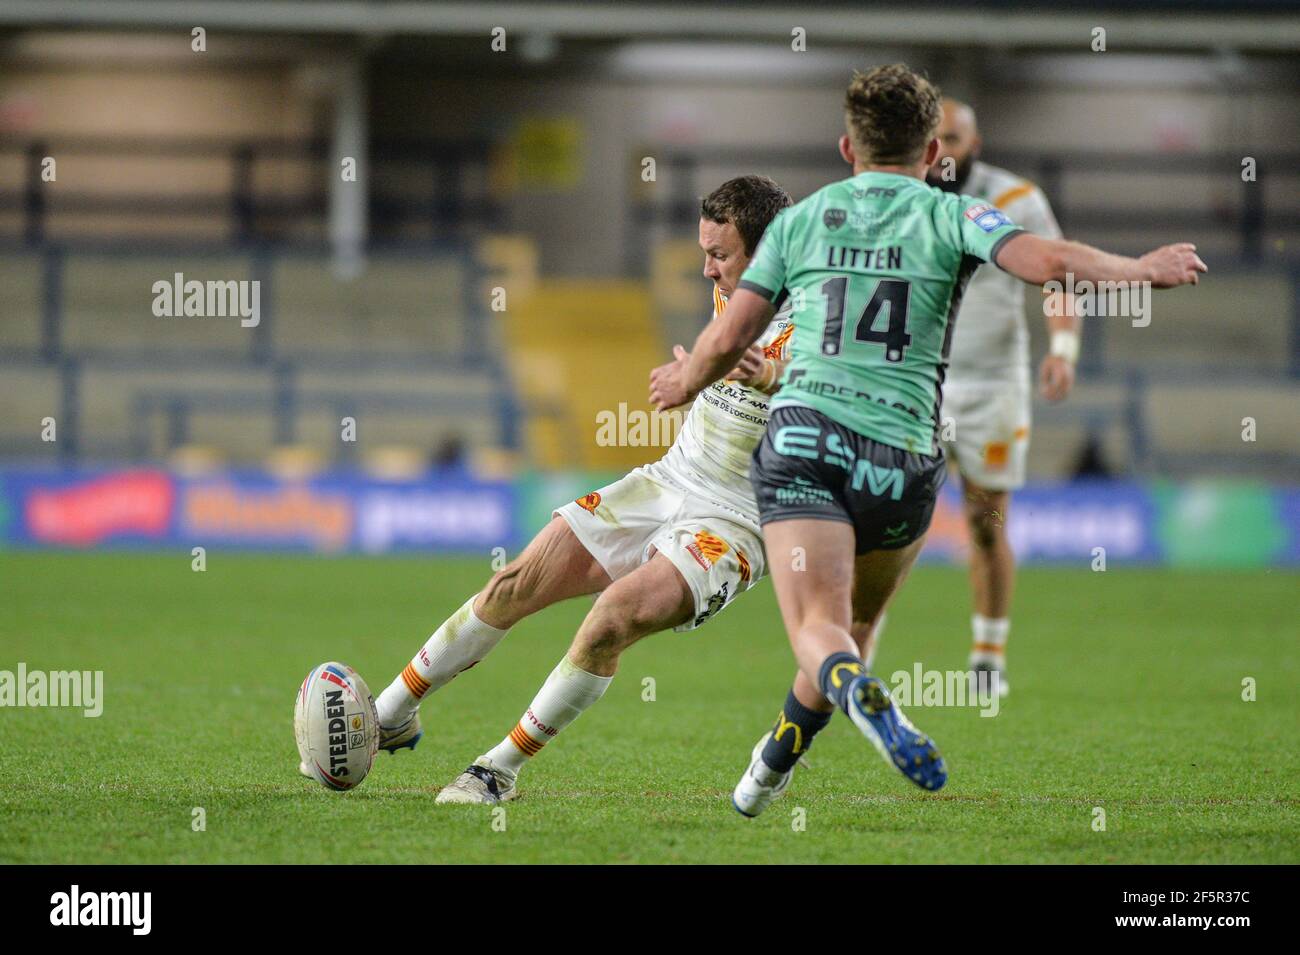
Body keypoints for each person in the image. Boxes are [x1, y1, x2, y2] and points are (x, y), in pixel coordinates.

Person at [649, 64, 1205, 817]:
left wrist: (683, 384)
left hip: (807, 439)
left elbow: (731, 334)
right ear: (933, 148)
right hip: (904, 460)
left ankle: (850, 698)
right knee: (856, 623)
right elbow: (1048, 261)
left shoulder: (798, 222)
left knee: (819, 627)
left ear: (847, 147)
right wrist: (1142, 271)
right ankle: (771, 764)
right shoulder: (960, 215)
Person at [333, 175, 814, 804]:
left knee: (609, 621)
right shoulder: (737, 293)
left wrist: (769, 374)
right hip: (670, 478)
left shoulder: (823, 307)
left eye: (719, 255)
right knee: (516, 581)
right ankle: (389, 714)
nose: (706, 271)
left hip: (736, 522)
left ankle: (496, 771)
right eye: (703, 253)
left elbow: (828, 381)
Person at [915, 97, 1080, 697]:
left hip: (992, 386)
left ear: (974, 145)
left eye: (954, 138)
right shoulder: (908, 199)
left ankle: (988, 654)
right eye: (936, 138)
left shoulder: (1015, 200)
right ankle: (852, 650)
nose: (945, 149)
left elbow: (1058, 276)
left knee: (986, 522)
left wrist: (1062, 352)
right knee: (884, 521)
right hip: (914, 384)